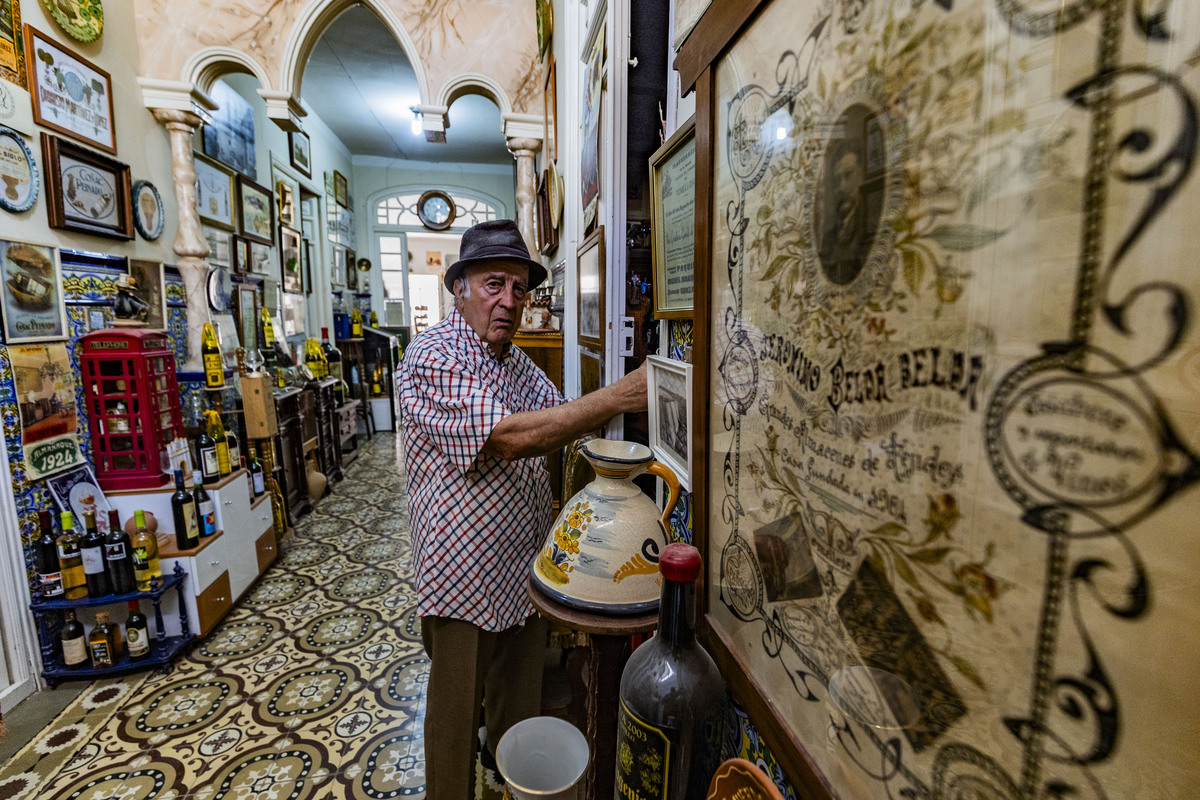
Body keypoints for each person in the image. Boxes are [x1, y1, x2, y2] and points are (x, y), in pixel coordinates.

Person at [398, 219, 647, 800]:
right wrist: (621, 395)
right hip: (461, 571)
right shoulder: (435, 355)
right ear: (457, 287)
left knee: (517, 701)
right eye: (493, 284)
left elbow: (558, 418)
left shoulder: (512, 361)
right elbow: (511, 437)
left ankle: (508, 784)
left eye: (518, 288)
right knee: (457, 712)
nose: (508, 301)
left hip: (522, 564)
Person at [818, 139, 874, 286]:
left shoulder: (870, 226)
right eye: (837, 180)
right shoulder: (828, 237)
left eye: (848, 175)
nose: (841, 187)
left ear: (861, 174)